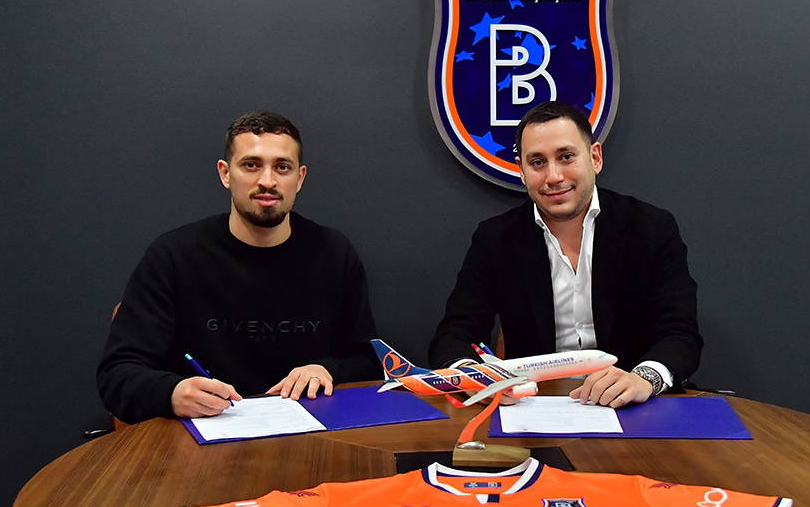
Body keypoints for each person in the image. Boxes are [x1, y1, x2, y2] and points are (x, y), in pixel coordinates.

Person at [98, 111, 380, 423]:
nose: (267, 181)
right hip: (202, 436)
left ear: (299, 178)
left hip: (309, 433)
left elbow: (370, 360)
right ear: (225, 173)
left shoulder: (334, 253)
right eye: (251, 165)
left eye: (282, 167)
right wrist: (172, 393)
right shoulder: (174, 256)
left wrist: (327, 369)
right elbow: (117, 374)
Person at [429, 101, 702, 408]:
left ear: (595, 158)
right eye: (537, 162)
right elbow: (455, 334)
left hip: (632, 408)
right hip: (532, 408)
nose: (554, 176)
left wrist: (644, 379)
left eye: (566, 157)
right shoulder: (495, 239)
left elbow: (680, 334)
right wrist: (471, 376)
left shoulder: (651, 228)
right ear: (522, 171)